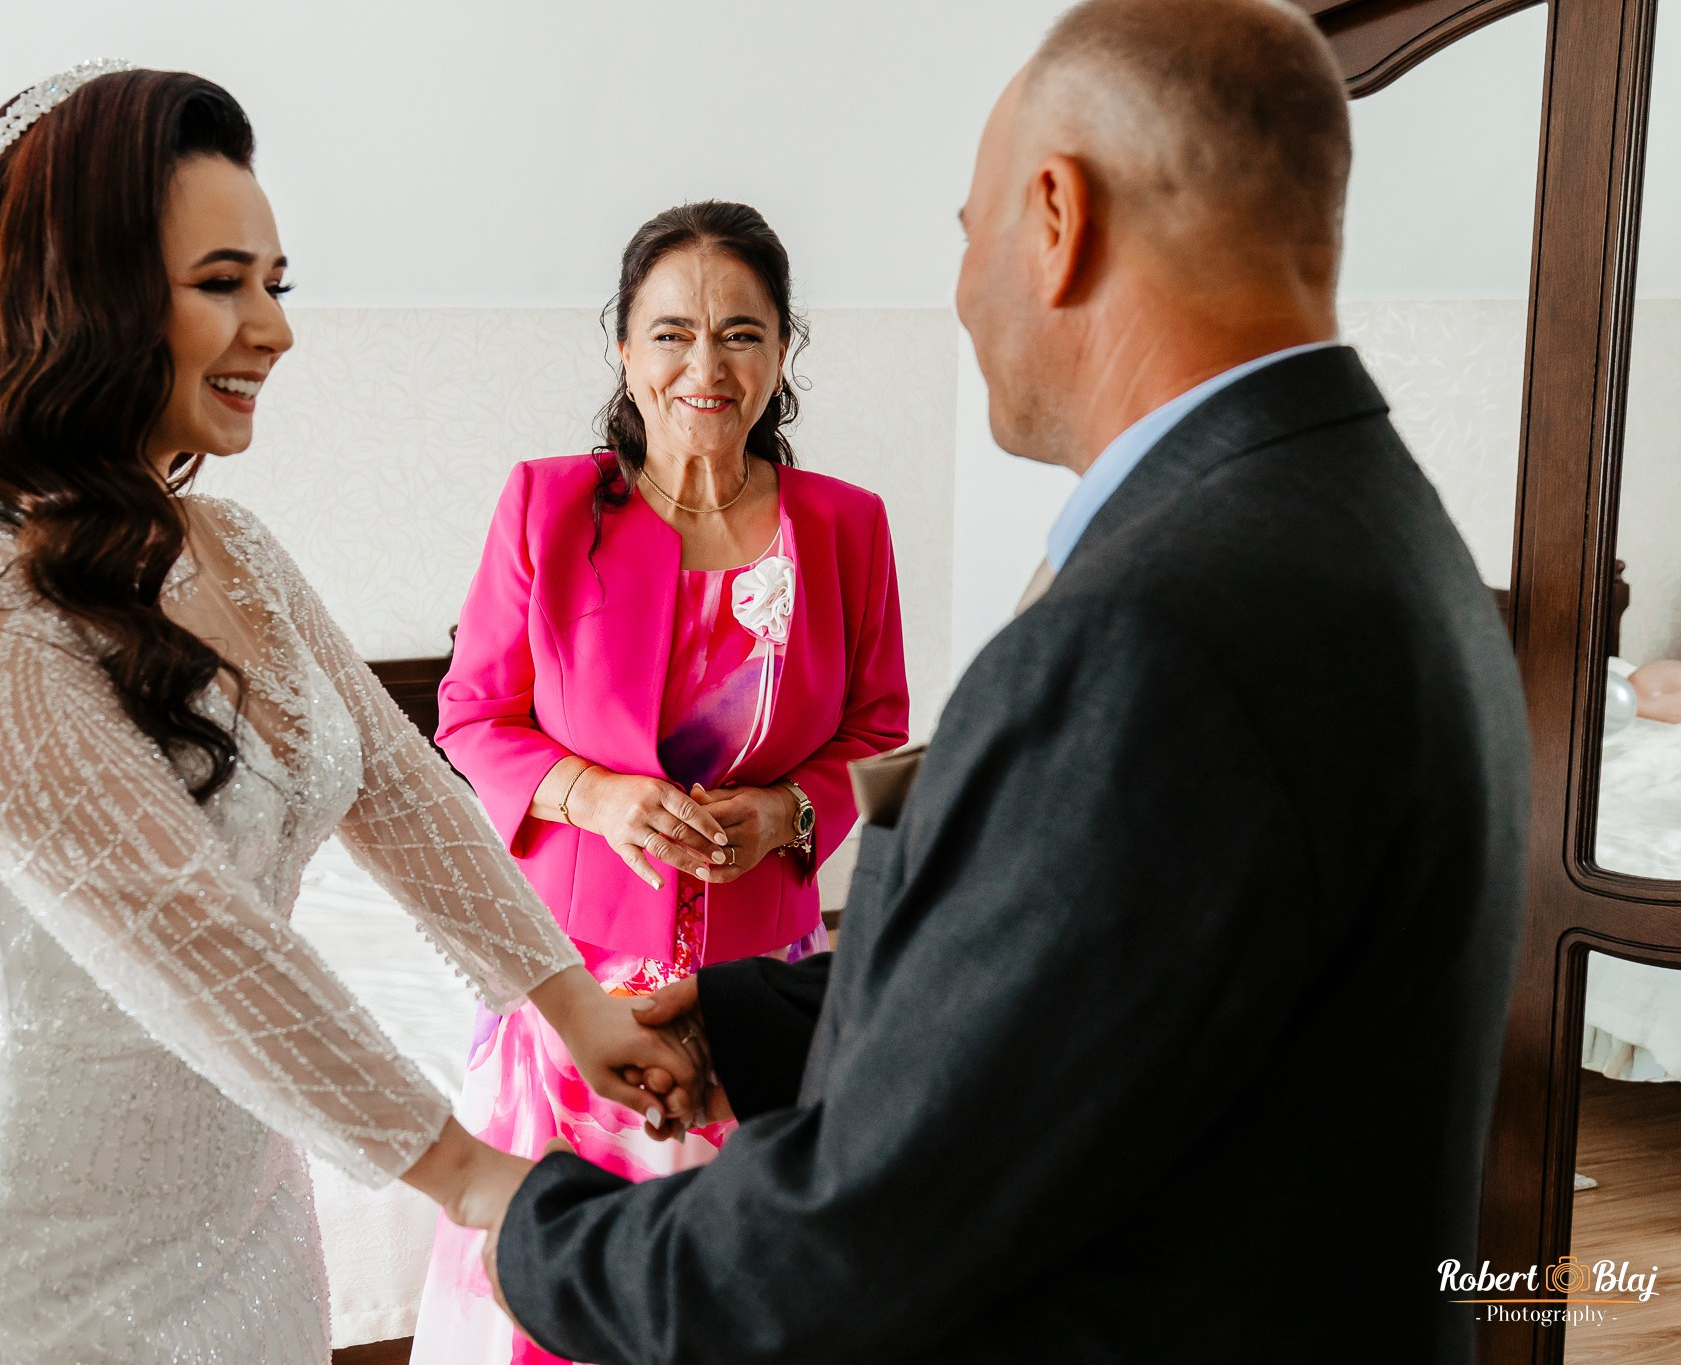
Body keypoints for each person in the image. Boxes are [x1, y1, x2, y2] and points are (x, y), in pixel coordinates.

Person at [449, 2, 1532, 1361]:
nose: (963, 292)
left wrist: (520, 1225)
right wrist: (737, 1012)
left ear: (1057, 220)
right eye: (669, 334)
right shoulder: (1362, 517)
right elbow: (1084, 1000)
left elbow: (871, 1230)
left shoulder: (1156, 629)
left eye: (968, 236)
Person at [0, 63, 693, 1361]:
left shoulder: (235, 546)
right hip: (36, 1281)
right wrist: (467, 1176)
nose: (273, 330)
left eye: (277, 285)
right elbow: (189, 930)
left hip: (254, 1228)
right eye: (223, 282)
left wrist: (580, 1009)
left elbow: (404, 796)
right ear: (78, 294)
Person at [415, 201, 909, 1363]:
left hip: (762, 1003)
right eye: (672, 331)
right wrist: (595, 794)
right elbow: (470, 715)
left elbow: (877, 728)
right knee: (556, 1308)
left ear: (782, 350)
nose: (706, 363)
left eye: (741, 332)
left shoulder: (843, 528)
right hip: (574, 996)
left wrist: (786, 813)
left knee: (743, 1308)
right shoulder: (545, 508)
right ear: (624, 349)